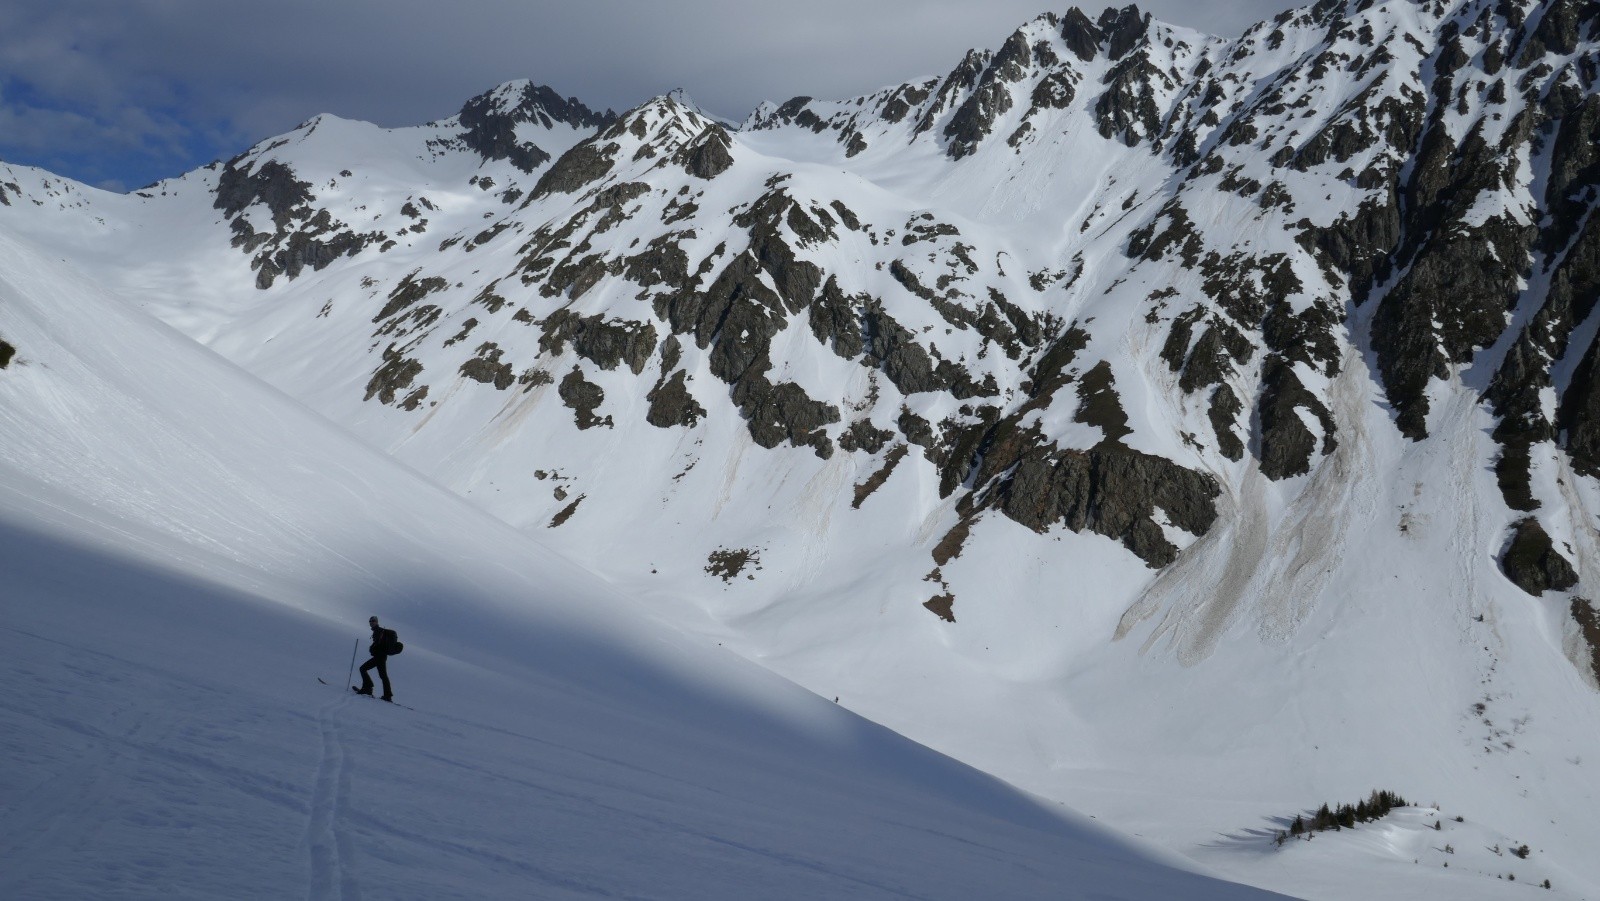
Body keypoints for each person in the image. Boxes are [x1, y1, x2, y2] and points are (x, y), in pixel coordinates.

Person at [354, 615, 399, 701]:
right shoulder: (378, 631)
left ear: (377, 622)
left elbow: (378, 644)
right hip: (381, 657)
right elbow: (378, 644)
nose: (371, 622)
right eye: (370, 621)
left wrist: (372, 648)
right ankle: (387, 695)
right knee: (383, 675)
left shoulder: (378, 631)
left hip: (379, 657)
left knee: (363, 668)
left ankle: (368, 688)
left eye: (373, 621)